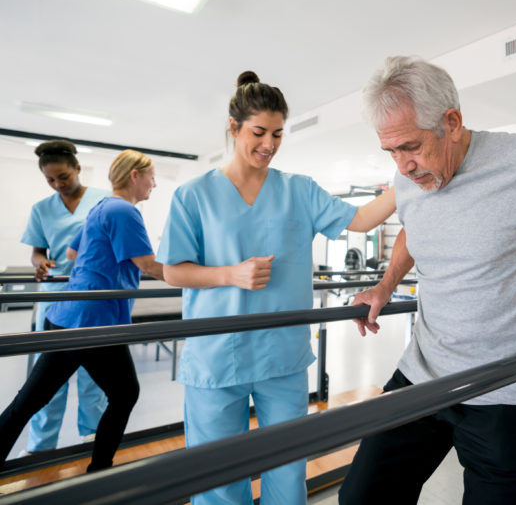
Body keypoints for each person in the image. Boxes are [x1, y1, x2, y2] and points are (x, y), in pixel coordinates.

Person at [338, 56, 516, 505]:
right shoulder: (409, 176)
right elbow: (413, 226)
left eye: (411, 147)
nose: (403, 166)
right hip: (424, 373)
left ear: (452, 122)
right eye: (391, 152)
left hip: (510, 387)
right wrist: (385, 284)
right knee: (362, 497)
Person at [157, 71, 396, 505]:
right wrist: (230, 274)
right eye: (259, 132)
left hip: (281, 355)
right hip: (217, 353)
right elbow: (172, 271)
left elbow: (360, 220)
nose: (269, 144)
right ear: (234, 128)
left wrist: (409, 179)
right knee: (217, 477)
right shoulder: (194, 195)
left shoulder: (298, 190)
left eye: (278, 134)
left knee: (287, 472)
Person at [0, 149, 164, 472]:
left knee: (29, 401)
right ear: (135, 176)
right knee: (126, 393)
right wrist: (204, 276)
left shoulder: (101, 207)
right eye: (151, 177)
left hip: (64, 317)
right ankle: (99, 471)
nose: (154, 185)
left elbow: (74, 253)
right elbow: (149, 266)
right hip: (94, 321)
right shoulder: (124, 211)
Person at [20, 139, 108, 454]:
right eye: (50, 180)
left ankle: (94, 442)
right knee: (48, 382)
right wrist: (39, 263)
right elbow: (37, 252)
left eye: (64, 177)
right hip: (55, 298)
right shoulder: (41, 209)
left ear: (78, 169)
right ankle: (40, 448)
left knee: (92, 378)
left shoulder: (104, 200)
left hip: (92, 298)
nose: (58, 184)